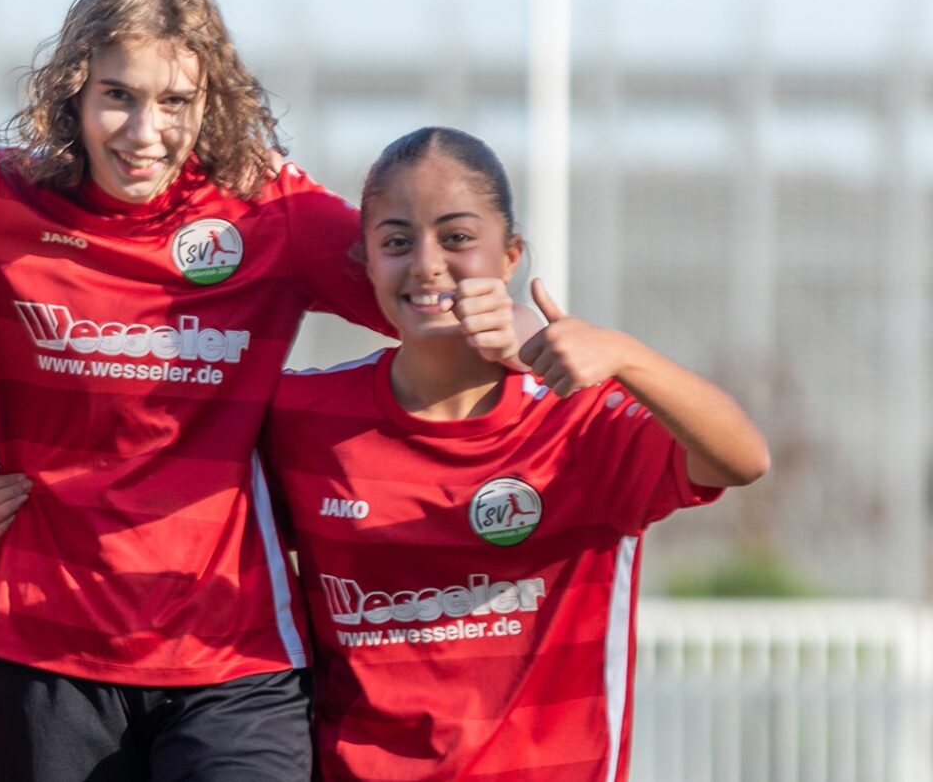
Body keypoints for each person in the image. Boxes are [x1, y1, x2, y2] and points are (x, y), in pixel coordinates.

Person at [0, 0, 526, 781]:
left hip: (235, 661)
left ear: (211, 101)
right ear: (73, 91)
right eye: (118, 96)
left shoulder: (270, 211)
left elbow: (422, 292)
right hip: (49, 653)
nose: (145, 131)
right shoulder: (2, 200)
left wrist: (519, 328)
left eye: (175, 101)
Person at [258, 127, 770, 780]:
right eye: (396, 241)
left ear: (511, 256)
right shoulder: (304, 416)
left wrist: (622, 354)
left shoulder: (579, 418)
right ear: (364, 262)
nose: (426, 263)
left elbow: (743, 457)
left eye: (458, 237)